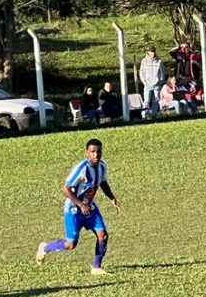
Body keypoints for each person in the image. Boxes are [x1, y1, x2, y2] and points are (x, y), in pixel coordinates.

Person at [35, 138, 121, 276]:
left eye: (98, 151)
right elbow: (65, 189)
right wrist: (80, 204)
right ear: (87, 152)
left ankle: (96, 267)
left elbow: (103, 182)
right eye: (92, 152)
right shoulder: (82, 168)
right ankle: (45, 247)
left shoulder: (102, 166)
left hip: (89, 208)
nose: (96, 155)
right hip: (73, 210)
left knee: (103, 236)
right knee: (70, 245)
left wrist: (112, 198)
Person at [138, 45, 165, 117]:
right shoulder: (144, 61)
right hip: (147, 84)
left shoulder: (159, 61)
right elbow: (141, 72)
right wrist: (144, 81)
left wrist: (160, 81)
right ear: (148, 52)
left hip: (156, 84)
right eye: (151, 52)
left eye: (153, 52)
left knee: (156, 100)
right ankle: (144, 115)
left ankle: (155, 114)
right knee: (146, 100)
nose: (152, 54)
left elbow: (162, 72)